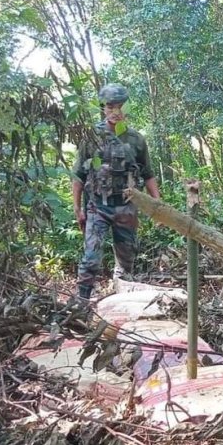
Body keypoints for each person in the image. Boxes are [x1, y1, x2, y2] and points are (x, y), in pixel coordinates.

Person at [72, 83, 161, 299]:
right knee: (91, 258)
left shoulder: (136, 139)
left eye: (119, 106)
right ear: (103, 108)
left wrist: (158, 205)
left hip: (126, 207)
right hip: (97, 206)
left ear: (125, 108)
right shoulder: (91, 137)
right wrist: (77, 208)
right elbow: (78, 175)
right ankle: (81, 305)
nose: (115, 111)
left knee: (126, 262)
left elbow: (148, 173)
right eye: (110, 107)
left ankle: (120, 302)